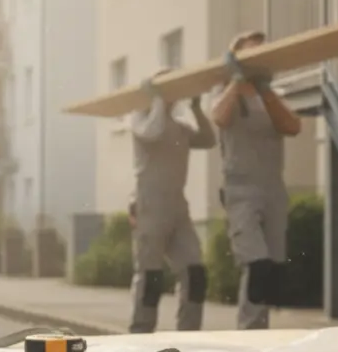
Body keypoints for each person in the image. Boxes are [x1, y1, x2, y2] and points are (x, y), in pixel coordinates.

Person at [210, 31, 303, 330]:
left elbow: (292, 125)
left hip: (273, 187)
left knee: (272, 270)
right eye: (250, 55)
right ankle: (247, 333)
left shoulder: (273, 96)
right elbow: (219, 117)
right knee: (256, 264)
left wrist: (264, 90)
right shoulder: (226, 94)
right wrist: (238, 81)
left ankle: (260, 333)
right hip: (241, 189)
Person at [127, 70, 216, 334]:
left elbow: (209, 140)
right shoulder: (140, 119)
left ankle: (189, 334)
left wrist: (197, 108)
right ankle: (141, 334)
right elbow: (153, 133)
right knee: (151, 277)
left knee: (195, 273)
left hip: (178, 206)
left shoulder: (179, 126)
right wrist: (155, 98)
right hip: (149, 205)